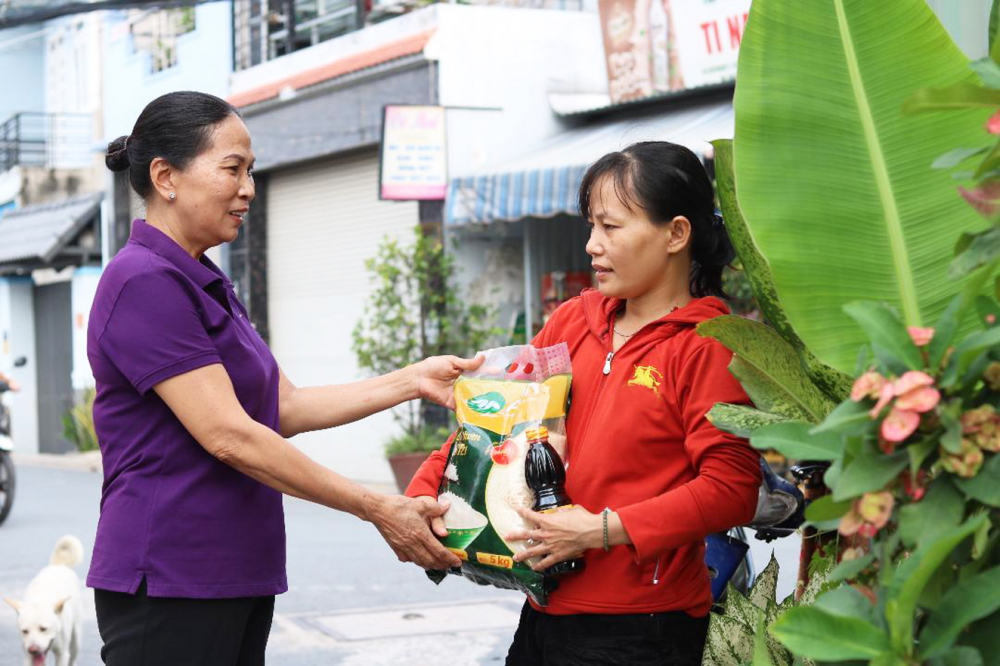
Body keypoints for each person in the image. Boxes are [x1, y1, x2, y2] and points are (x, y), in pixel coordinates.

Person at [88, 91, 475, 666]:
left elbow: (283, 405)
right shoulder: (142, 280)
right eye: (233, 169)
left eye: (252, 170)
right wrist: (375, 506)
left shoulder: (199, 278)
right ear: (165, 176)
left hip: (232, 570)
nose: (248, 188)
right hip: (172, 574)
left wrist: (413, 380)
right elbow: (229, 435)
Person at [406, 141, 762, 665]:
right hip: (543, 608)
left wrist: (601, 531)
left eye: (611, 227)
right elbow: (502, 422)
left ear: (676, 234)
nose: (593, 245)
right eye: (591, 226)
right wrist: (423, 493)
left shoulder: (708, 345)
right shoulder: (575, 320)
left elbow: (732, 489)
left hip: (642, 626)